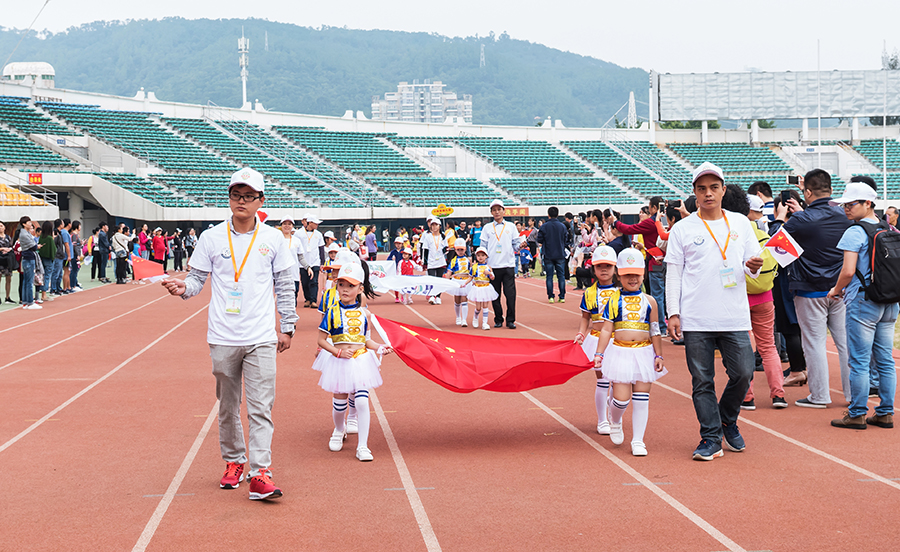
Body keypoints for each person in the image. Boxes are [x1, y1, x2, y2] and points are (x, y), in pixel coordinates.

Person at [161, 167, 298, 501]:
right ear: (229, 198)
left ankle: (260, 471)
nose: (242, 201)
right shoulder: (211, 237)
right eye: (236, 195)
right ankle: (234, 461)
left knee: (260, 407)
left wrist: (288, 325)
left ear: (260, 201)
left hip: (262, 335)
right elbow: (195, 280)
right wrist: (183, 288)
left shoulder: (272, 239)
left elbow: (284, 285)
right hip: (223, 336)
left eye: (249, 196)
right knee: (228, 406)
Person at [666, 162, 764, 461]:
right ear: (695, 193)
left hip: (733, 314)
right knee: (702, 381)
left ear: (723, 189)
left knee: (744, 372)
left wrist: (754, 266)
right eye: (701, 188)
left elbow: (752, 263)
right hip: (696, 316)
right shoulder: (683, 228)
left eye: (713, 187)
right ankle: (710, 438)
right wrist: (673, 313)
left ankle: (726, 419)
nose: (708, 194)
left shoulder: (740, 223)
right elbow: (674, 274)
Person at [773, 169, 851, 408]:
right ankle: (852, 394)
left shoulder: (800, 220)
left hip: (809, 289)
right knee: (845, 343)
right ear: (830, 189)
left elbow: (775, 244)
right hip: (840, 288)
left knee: (814, 343)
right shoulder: (843, 215)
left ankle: (819, 395)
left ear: (807, 192)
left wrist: (779, 218)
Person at [827, 182, 898, 429]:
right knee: (886, 360)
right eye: (844, 204)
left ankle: (857, 413)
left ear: (868, 203)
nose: (846, 208)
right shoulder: (889, 228)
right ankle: (885, 412)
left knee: (858, 361)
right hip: (889, 301)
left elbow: (847, 271)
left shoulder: (854, 232)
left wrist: (835, 291)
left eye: (851, 203)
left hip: (863, 302)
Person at [313, 262, 393, 462]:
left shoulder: (365, 314)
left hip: (361, 361)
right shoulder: (331, 312)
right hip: (339, 362)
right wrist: (337, 352)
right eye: (341, 285)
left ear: (360, 289)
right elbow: (321, 340)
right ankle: (339, 430)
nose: (345, 290)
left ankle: (363, 446)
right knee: (339, 403)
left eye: (350, 286)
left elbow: (366, 340)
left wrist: (380, 347)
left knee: (362, 401)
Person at [594, 248, 666, 456]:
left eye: (636, 274)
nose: (632, 278)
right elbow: (607, 328)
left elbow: (655, 330)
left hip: (644, 353)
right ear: (619, 275)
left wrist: (658, 355)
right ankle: (615, 418)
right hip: (620, 353)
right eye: (627, 275)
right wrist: (599, 353)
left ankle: (638, 440)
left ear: (643, 274)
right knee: (622, 400)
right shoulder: (614, 299)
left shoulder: (650, 301)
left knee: (642, 397)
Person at [720, 186, 786, 410]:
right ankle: (778, 394)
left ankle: (747, 396)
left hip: (740, 296)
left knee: (743, 348)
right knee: (768, 346)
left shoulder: (731, 235)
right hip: (765, 296)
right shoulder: (765, 234)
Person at [574, 246, 619, 434]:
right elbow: (585, 318)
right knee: (602, 380)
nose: (604, 270)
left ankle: (615, 416)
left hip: (618, 342)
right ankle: (602, 420)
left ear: (615, 269)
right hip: (596, 339)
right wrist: (581, 334)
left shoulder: (621, 291)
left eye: (608, 266)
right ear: (593, 268)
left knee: (618, 382)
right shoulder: (589, 293)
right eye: (599, 266)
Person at [613, 197, 667, 336]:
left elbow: (629, 229)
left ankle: (660, 327)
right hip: (665, 260)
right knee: (663, 294)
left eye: (648, 208)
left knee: (657, 295)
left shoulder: (651, 223)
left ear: (654, 208)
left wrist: (615, 222)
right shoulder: (666, 221)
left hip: (656, 261)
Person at [482, 200, 522, 329]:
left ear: (504, 211)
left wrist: (520, 246)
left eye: (499, 209)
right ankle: (498, 319)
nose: (497, 212)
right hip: (492, 266)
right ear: (491, 212)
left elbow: (516, 244)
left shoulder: (510, 226)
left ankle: (511, 320)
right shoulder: (487, 227)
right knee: (495, 295)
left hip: (508, 265)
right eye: (494, 210)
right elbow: (483, 247)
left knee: (510, 295)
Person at [537, 206, 569, 304]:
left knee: (549, 276)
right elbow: (566, 240)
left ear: (548, 215)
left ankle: (551, 296)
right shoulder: (562, 226)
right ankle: (562, 296)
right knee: (561, 276)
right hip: (560, 254)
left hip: (548, 254)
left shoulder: (544, 226)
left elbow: (539, 240)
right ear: (558, 215)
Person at [461, 246, 498, 330]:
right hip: (478, 288)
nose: (480, 257)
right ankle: (476, 317)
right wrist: (465, 283)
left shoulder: (488, 267)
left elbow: (493, 278)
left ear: (486, 256)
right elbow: (470, 277)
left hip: (486, 287)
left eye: (482, 255)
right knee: (478, 307)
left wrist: (489, 273)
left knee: (485, 305)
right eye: (478, 255)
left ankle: (485, 323)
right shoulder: (474, 267)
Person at [444, 238, 472, 326]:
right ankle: (458, 317)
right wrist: (447, 282)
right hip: (456, 281)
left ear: (465, 249)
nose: (460, 251)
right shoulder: (453, 260)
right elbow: (449, 272)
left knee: (464, 299)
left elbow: (471, 271)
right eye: (458, 250)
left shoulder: (468, 260)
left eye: (462, 249)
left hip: (465, 281)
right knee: (457, 300)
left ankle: (464, 319)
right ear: (455, 250)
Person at [279, 217, 306, 307]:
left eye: (289, 224)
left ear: (292, 226)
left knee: (293, 297)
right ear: (281, 226)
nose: (287, 226)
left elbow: (300, 257)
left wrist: (308, 267)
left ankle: (291, 319)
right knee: (282, 298)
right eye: (284, 224)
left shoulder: (296, 241)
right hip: (280, 274)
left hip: (293, 274)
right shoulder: (277, 239)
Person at [299, 215, 325, 309]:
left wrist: (322, 262)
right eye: (315, 223)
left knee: (314, 281)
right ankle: (308, 299)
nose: (317, 225)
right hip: (303, 263)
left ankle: (313, 300)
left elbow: (321, 248)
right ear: (310, 223)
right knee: (305, 282)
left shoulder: (318, 234)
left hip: (315, 261)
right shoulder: (299, 233)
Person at [421, 216, 447, 305]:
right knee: (432, 279)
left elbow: (446, 248)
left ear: (440, 226)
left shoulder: (443, 236)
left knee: (439, 280)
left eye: (436, 225)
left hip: (441, 261)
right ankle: (432, 295)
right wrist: (424, 262)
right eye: (432, 225)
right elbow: (425, 249)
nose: (434, 227)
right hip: (431, 262)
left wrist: (446, 250)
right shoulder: (428, 237)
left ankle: (438, 297)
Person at [17, 217, 41, 310]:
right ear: (24, 224)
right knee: (29, 281)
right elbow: (34, 246)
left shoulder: (25, 233)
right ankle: (30, 302)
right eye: (29, 222)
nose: (31, 224)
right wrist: (36, 246)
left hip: (27, 258)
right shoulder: (24, 234)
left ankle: (26, 302)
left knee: (26, 281)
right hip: (28, 258)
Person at [387, 236, 405, 303]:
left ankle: (403, 296)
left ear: (402, 244)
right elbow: (388, 259)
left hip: (402, 269)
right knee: (396, 284)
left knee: (403, 283)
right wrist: (391, 259)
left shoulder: (404, 251)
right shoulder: (393, 252)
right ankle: (397, 297)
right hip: (395, 270)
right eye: (397, 243)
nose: (398, 245)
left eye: (399, 243)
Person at [0, 221, 15, 303]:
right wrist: (2, 249)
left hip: (7, 260)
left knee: (8, 279)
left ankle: (7, 297)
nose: (0, 227)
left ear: (4, 227)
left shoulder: (8, 237)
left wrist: (9, 250)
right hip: (0, 259)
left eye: (1, 226)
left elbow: (11, 246)